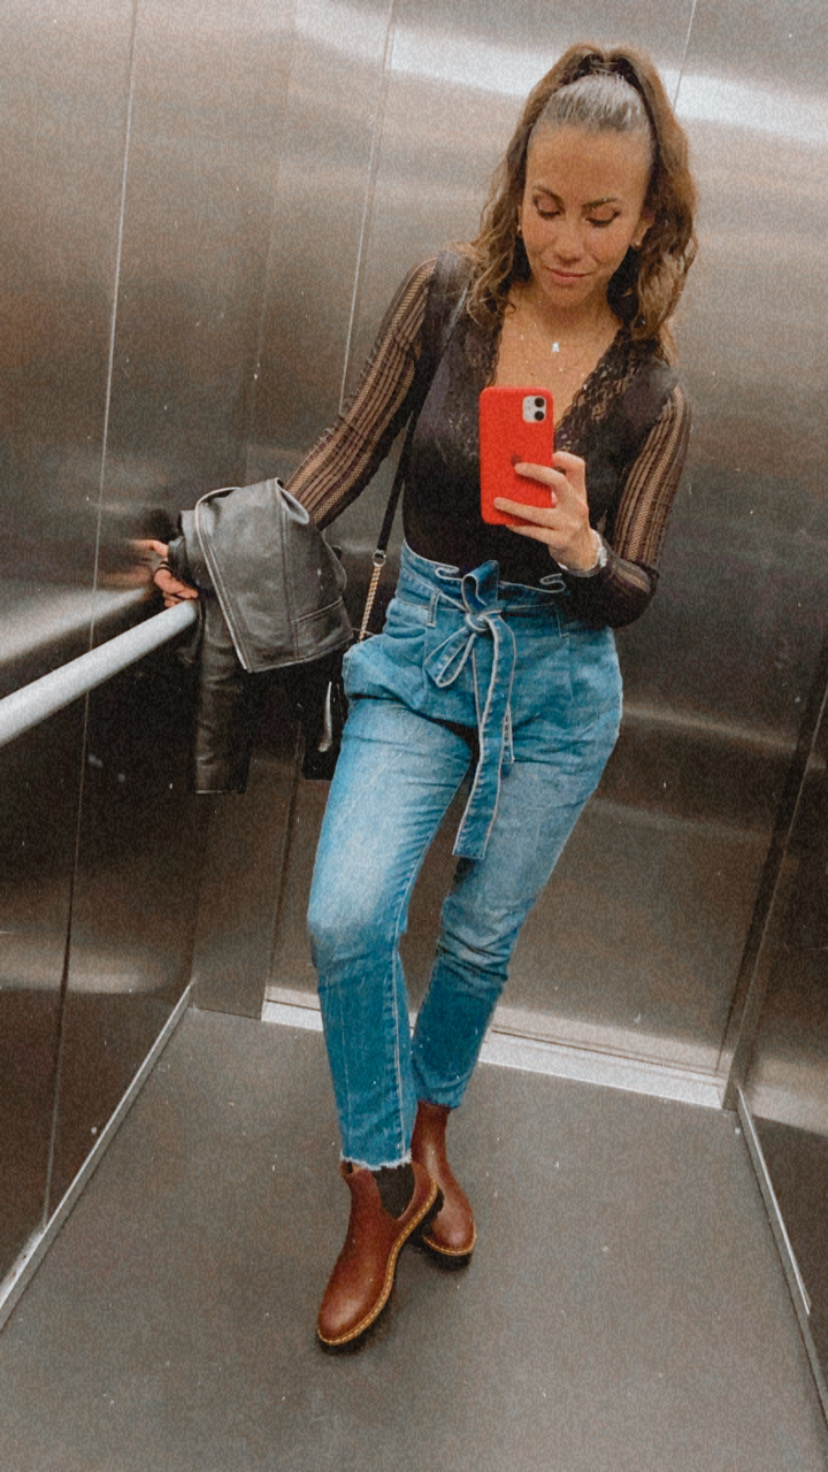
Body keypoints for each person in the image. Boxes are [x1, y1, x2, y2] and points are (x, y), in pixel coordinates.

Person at [149, 42, 697, 1350]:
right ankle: (382, 1175)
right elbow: (346, 451)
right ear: (518, 186)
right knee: (347, 915)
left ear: (646, 221)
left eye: (601, 215)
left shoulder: (656, 393)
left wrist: (582, 547)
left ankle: (430, 1128)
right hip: (426, 649)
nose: (566, 241)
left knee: (479, 941)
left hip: (561, 684)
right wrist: (212, 549)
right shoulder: (447, 294)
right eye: (546, 204)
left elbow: (633, 589)